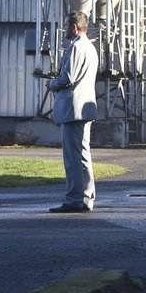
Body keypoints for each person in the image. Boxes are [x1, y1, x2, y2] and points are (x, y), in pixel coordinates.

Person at [47, 11, 99, 213]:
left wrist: (51, 84)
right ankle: (87, 197)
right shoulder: (90, 47)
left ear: (74, 27)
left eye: (67, 25)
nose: (65, 29)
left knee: (72, 158)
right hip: (85, 107)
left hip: (73, 108)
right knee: (83, 156)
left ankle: (74, 198)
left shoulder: (76, 47)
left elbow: (67, 77)